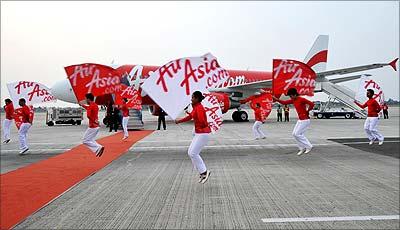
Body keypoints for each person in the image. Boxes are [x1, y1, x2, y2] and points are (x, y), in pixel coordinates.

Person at [176, 91, 211, 184]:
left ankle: (204, 172)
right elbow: (190, 116)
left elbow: (202, 121)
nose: (191, 99)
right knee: (190, 152)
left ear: (197, 99)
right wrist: (179, 121)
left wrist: (200, 124)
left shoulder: (199, 108)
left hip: (202, 133)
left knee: (193, 153)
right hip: (199, 133)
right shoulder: (196, 107)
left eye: (193, 98)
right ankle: (202, 173)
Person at [273, 88, 314, 156]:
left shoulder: (301, 99)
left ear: (295, 94)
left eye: (291, 96)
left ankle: (309, 146)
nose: (290, 97)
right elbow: (284, 103)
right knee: (294, 134)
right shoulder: (293, 100)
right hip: (300, 120)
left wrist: (308, 111)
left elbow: (311, 104)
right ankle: (302, 148)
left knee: (297, 134)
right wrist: (277, 99)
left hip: (305, 120)